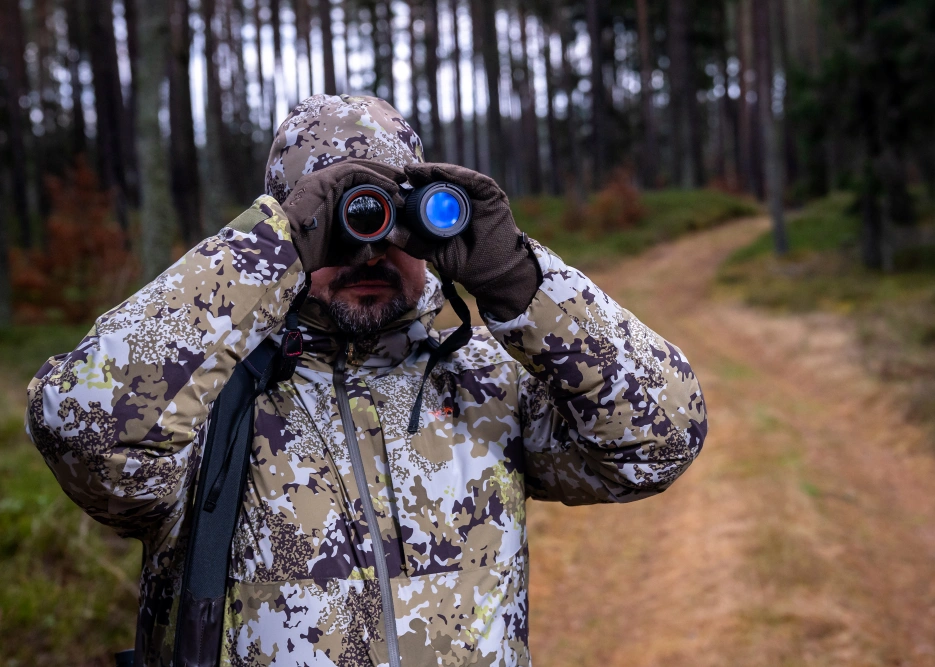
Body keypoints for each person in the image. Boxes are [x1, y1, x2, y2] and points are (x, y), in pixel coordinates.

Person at [26, 94, 707, 666]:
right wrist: (276, 245)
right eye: (342, 224)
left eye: (393, 221)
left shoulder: (481, 379)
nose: (369, 249)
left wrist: (520, 279)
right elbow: (87, 433)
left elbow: (661, 439)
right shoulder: (208, 398)